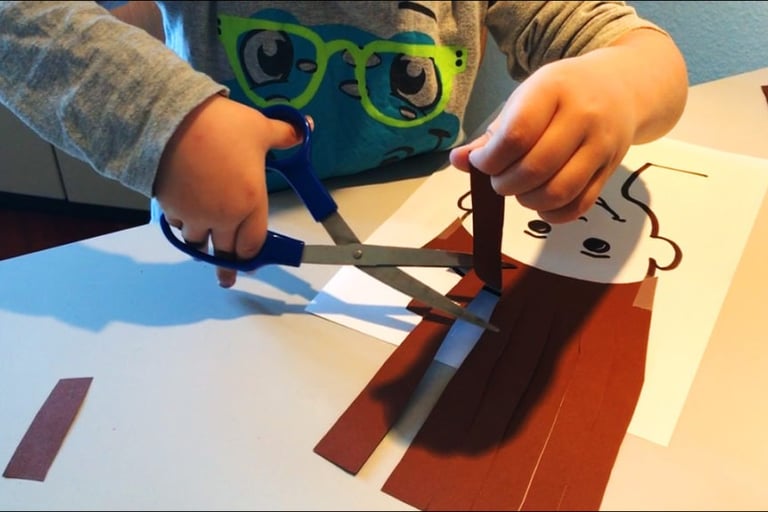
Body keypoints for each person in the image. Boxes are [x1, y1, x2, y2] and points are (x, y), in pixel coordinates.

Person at [0, 1, 688, 289]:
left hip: (420, 244)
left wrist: (617, 85)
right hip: (215, 264)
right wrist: (164, 119)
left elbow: (643, 55)